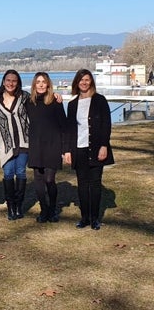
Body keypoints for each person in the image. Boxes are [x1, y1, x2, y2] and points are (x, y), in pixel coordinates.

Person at [64, 69, 114, 230]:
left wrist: (104, 146)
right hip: (79, 149)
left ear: (91, 81)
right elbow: (69, 129)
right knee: (82, 184)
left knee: (95, 183)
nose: (84, 83)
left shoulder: (100, 100)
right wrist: (68, 150)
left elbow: (106, 124)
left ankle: (95, 218)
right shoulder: (72, 105)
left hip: (96, 148)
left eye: (87, 80)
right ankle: (84, 217)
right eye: (81, 80)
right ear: (76, 83)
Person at [26, 72, 68, 223]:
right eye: (38, 82)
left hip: (52, 145)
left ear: (48, 84)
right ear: (34, 85)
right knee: (38, 180)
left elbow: (64, 126)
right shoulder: (29, 102)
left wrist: (65, 148)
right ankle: (44, 209)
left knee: (49, 179)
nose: (41, 84)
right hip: (36, 145)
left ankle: (53, 209)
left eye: (44, 82)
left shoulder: (55, 101)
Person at [0, 70, 30, 220]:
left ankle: (19, 207)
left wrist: (56, 97)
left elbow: (40, 105)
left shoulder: (25, 97)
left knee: (20, 172)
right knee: (8, 173)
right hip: (6, 145)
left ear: (18, 82)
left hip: (24, 142)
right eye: (8, 80)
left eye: (14, 81)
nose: (11, 83)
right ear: (3, 81)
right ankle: (10, 207)